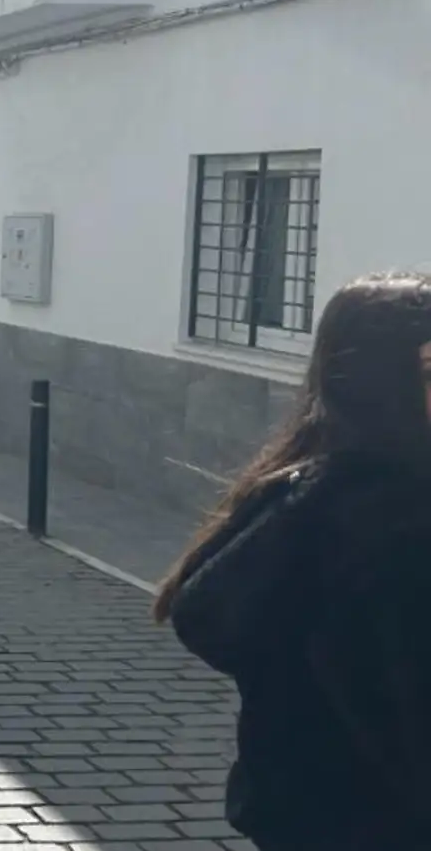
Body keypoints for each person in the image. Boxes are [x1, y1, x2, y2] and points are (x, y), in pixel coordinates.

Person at [153, 270, 431, 849]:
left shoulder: (304, 488)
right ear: (376, 384)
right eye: (430, 373)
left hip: (301, 812)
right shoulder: (386, 521)